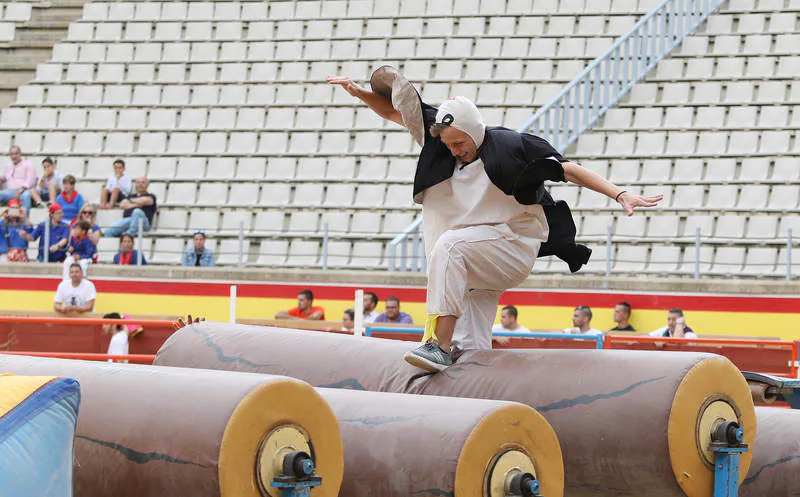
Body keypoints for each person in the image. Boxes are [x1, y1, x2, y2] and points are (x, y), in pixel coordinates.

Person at [328, 67, 661, 372]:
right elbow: (392, 110)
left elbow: (568, 170)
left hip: (513, 246)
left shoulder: (511, 146)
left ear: (474, 131)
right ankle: (475, 399)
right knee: (471, 345)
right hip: (476, 260)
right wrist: (360, 93)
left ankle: (438, 345)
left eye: (459, 143)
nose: (454, 150)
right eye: (448, 144)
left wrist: (619, 194)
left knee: (449, 247)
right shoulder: (441, 137)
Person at [0, 145, 36, 215]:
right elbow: (2, 178)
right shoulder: (8, 166)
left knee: (26, 196)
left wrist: (19, 192)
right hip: (11, 192)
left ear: (20, 154)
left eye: (16, 153)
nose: (14, 156)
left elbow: (30, 181)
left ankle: (24, 223)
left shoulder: (28, 164)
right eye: (12, 154)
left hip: (25, 191)